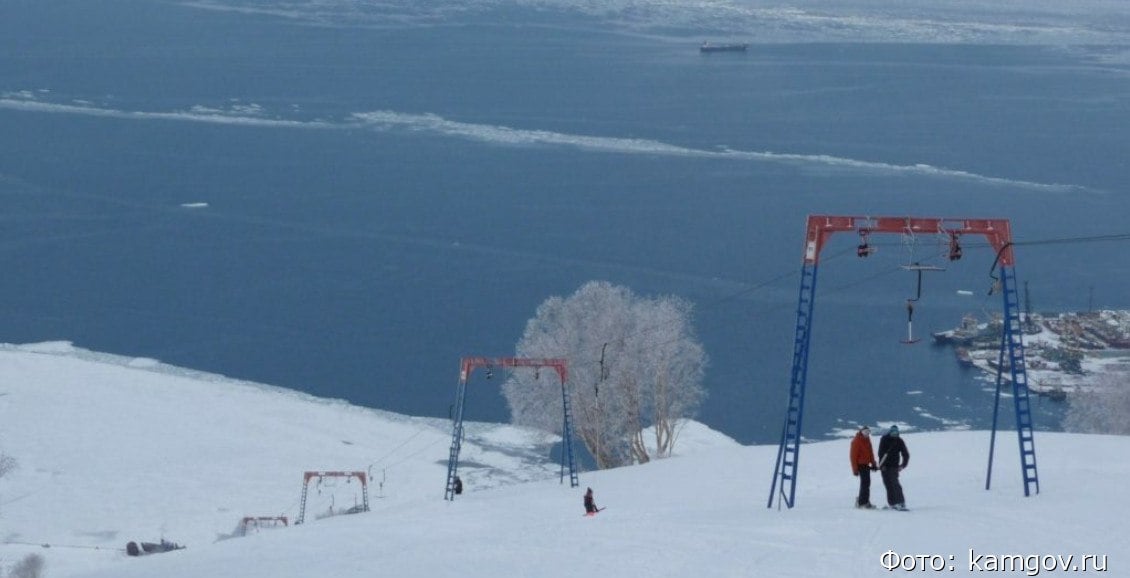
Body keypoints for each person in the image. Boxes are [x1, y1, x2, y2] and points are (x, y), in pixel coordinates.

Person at [877, 425, 910, 510]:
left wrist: (903, 465)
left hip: (894, 466)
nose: (895, 434)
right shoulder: (884, 439)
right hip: (884, 466)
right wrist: (882, 465)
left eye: (896, 433)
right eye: (893, 432)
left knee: (895, 484)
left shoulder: (899, 441)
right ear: (890, 432)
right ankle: (892, 503)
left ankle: (901, 502)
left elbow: (905, 454)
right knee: (888, 484)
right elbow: (880, 453)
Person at [849, 425, 878, 509]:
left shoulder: (867, 440)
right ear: (861, 432)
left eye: (868, 432)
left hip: (866, 465)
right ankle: (862, 502)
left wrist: (873, 464)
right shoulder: (856, 441)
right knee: (865, 483)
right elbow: (853, 456)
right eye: (865, 432)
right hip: (860, 465)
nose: (867, 434)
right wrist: (855, 469)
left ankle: (865, 500)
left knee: (867, 483)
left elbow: (870, 453)